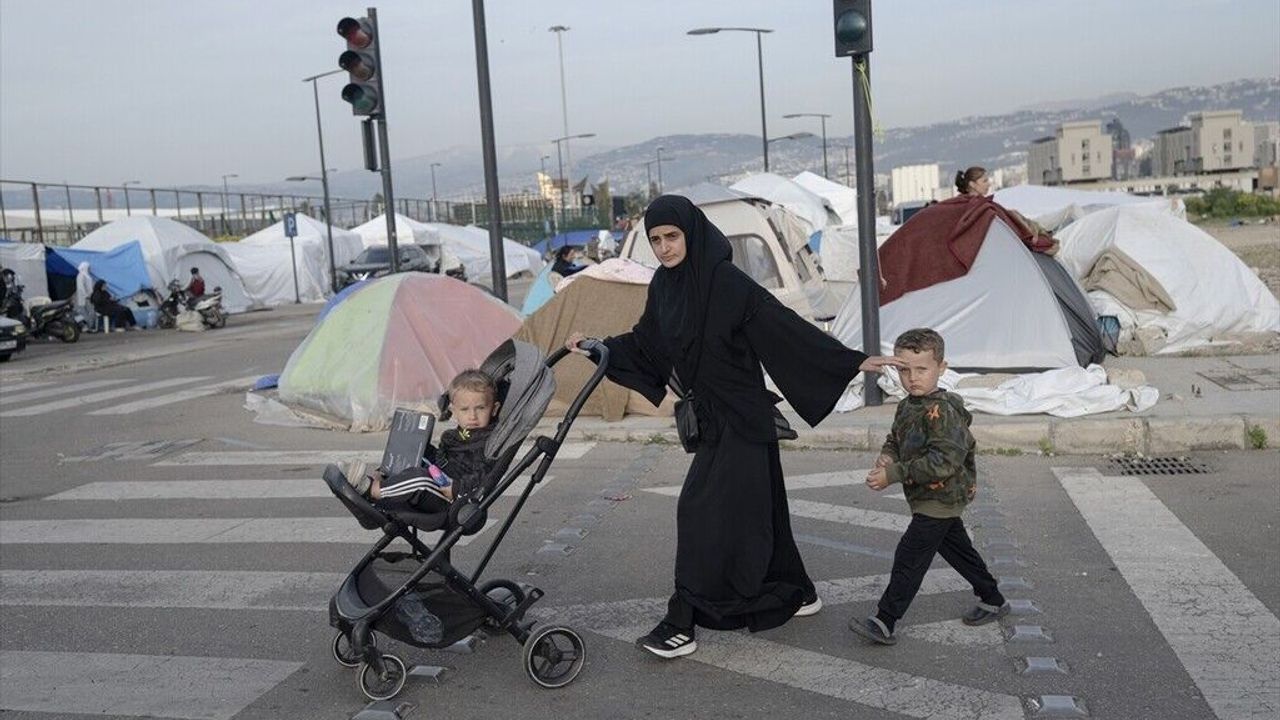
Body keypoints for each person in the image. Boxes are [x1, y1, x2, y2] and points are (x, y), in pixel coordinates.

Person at [564, 194, 902, 659]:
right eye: (656, 239)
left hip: (742, 417)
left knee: (699, 513)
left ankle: (682, 620)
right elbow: (648, 344)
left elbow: (782, 327)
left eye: (672, 237)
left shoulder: (726, 281)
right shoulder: (665, 287)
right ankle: (798, 590)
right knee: (764, 512)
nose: (664, 248)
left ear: (691, 232)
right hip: (713, 418)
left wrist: (852, 361)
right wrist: (600, 348)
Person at [849, 328, 1008, 646]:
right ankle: (993, 597)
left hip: (942, 496)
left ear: (942, 368)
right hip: (926, 496)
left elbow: (944, 462)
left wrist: (893, 474)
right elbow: (897, 437)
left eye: (921, 369)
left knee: (910, 556)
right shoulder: (908, 405)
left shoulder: (945, 413)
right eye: (904, 370)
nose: (912, 378)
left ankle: (885, 620)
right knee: (958, 550)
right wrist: (887, 455)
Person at [344, 369, 501, 514]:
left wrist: (455, 489)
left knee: (420, 479)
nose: (472, 416)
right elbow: (444, 461)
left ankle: (372, 490)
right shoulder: (458, 435)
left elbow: (484, 475)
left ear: (493, 409)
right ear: (454, 411)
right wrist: (421, 449)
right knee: (411, 453)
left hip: (453, 499)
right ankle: (382, 478)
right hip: (441, 478)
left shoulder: (487, 441)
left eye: (480, 408)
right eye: (465, 409)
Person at [74, 262, 97, 329]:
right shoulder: (81, 276)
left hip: (88, 297)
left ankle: (89, 326)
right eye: (88, 268)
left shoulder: (87, 276)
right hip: (83, 298)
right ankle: (86, 326)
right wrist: (86, 295)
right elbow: (80, 287)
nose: (89, 269)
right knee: (84, 313)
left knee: (90, 312)